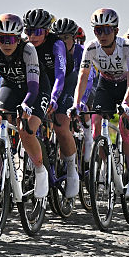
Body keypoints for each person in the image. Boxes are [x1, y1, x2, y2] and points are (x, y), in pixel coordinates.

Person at [0, 13, 49, 205]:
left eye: (11, 39)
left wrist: (26, 105)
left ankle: (40, 171)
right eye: (2, 38)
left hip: (36, 88)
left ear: (18, 38)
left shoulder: (28, 49)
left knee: (26, 130)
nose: (7, 43)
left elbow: (33, 87)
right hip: (10, 86)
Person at [71, 8, 129, 199]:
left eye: (106, 30)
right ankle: (107, 164)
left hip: (128, 86)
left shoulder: (127, 46)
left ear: (116, 31)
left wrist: (127, 103)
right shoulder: (91, 48)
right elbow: (83, 77)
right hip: (106, 85)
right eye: (97, 30)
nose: (102, 35)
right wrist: (77, 103)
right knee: (95, 130)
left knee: (126, 127)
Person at [45, 17, 83, 198]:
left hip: (68, 83)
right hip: (48, 83)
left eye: (66, 37)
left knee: (60, 126)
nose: (62, 40)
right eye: (58, 36)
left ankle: (71, 169)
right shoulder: (47, 46)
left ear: (74, 38)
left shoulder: (78, 52)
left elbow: (84, 79)